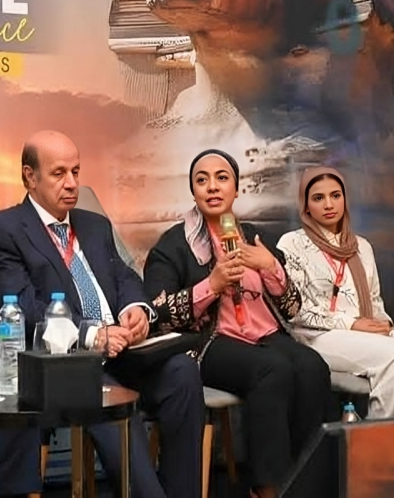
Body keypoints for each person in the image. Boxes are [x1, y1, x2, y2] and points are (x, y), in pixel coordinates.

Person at [0, 130, 204, 498]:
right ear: (30, 177)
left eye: (76, 171)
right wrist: (92, 334)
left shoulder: (94, 225)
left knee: (182, 372)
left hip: (123, 351)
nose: (72, 183)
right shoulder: (1, 230)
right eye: (59, 173)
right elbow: (21, 310)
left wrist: (135, 309)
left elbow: (125, 277)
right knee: (111, 400)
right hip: (65, 363)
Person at [142, 149, 332, 498]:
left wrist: (270, 266)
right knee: (272, 369)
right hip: (210, 342)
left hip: (266, 335)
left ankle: (305, 481)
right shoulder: (174, 245)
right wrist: (211, 285)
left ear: (236, 188)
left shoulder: (256, 236)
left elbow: (292, 308)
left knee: (312, 366)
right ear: (193, 192)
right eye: (202, 180)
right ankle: (267, 488)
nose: (213, 187)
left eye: (222, 178)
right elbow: (157, 314)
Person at [276, 167, 394, 418]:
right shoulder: (292, 243)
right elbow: (296, 310)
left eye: (335, 195)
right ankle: (391, 441)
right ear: (306, 206)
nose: (328, 204)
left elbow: (375, 300)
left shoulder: (361, 246)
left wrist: (382, 323)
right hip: (319, 335)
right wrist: (352, 324)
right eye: (318, 198)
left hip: (366, 330)